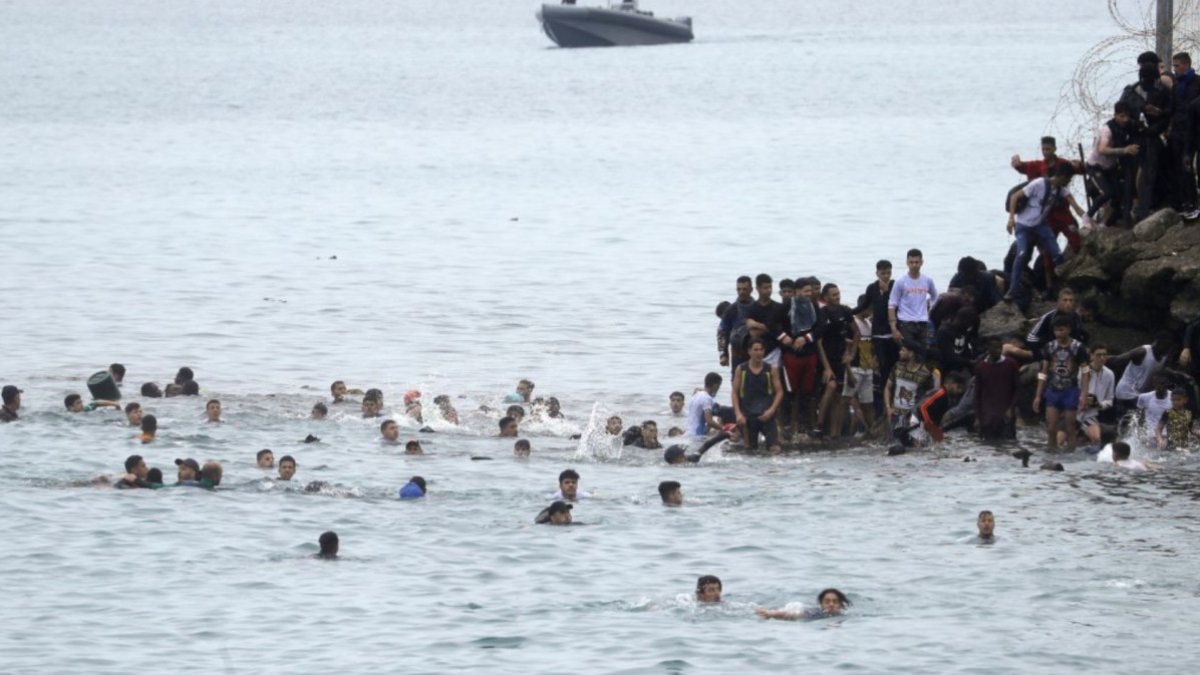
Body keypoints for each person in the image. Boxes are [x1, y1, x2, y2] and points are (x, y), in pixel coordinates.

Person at [1005, 164, 1081, 303]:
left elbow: (1076, 206)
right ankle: (1013, 289)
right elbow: (1015, 196)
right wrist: (1011, 219)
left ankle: (1062, 286)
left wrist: (1089, 221)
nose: (1068, 182)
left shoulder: (1061, 190)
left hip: (1040, 225)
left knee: (1057, 254)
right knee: (1021, 254)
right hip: (1023, 225)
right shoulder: (1039, 184)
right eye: (1068, 179)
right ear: (1063, 177)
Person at [1012, 136, 1085, 250]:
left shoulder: (1064, 163)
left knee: (1074, 238)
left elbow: (1081, 170)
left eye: (1048, 149)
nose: (1045, 152)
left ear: (1054, 149)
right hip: (1047, 214)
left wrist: (1080, 165)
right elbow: (1023, 167)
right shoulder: (1037, 165)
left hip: (1063, 209)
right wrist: (1016, 163)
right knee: (1047, 248)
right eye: (1043, 149)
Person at [1032, 316, 1090, 452]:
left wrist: (1084, 394)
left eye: (1061, 330)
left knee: (1070, 426)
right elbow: (1044, 372)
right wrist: (1038, 396)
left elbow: (1085, 372)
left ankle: (1070, 455)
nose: (1058, 333)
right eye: (1056, 330)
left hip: (1070, 390)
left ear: (1068, 329)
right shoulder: (1049, 347)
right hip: (1053, 390)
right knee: (1051, 427)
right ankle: (1051, 452)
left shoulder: (1078, 347)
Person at [780, 276, 827, 437]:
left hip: (809, 354)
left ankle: (803, 426)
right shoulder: (787, 306)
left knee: (807, 392)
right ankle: (787, 425)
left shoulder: (814, 306)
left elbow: (821, 327)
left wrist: (806, 338)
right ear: (797, 291)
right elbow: (773, 325)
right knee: (790, 392)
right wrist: (784, 337)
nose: (809, 294)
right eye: (806, 291)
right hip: (791, 355)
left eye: (810, 291)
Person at [1085, 101, 1138, 226]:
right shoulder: (1107, 130)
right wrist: (1124, 150)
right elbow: (1102, 149)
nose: (1125, 119)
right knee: (1107, 192)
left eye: (1127, 116)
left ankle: (1104, 222)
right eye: (1121, 116)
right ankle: (1087, 216)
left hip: (1111, 167)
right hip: (1096, 166)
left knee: (1118, 193)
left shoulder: (1128, 126)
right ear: (1115, 115)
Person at [732, 338, 784, 453]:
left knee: (775, 449)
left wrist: (771, 410)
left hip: (766, 415)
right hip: (748, 417)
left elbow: (779, 392)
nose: (759, 353)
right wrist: (738, 414)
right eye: (755, 350)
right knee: (750, 451)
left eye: (761, 350)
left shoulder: (771, 369)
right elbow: (735, 392)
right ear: (749, 351)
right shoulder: (741, 369)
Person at [1168, 52, 1200, 220]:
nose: (1174, 69)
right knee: (1182, 169)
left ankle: (1195, 204)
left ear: (1186, 65)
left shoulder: (1197, 83)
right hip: (1179, 133)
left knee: (1194, 166)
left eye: (1177, 66)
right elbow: (1173, 109)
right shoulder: (1176, 86)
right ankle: (1187, 202)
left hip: (1194, 131)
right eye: (1174, 66)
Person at [842, 296, 877, 435]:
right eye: (869, 308)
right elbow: (846, 348)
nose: (871, 312)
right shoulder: (852, 323)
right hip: (854, 367)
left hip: (867, 368)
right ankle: (841, 431)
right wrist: (848, 370)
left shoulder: (869, 323)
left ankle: (871, 432)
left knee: (868, 404)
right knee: (845, 401)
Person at [884, 340, 934, 438]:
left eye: (903, 350)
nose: (900, 352)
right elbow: (887, 387)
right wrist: (888, 407)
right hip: (895, 415)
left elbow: (930, 397)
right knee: (893, 441)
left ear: (911, 353)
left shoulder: (925, 374)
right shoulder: (897, 367)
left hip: (913, 417)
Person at [888, 248, 938, 346]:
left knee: (923, 351)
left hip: (922, 322)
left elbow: (935, 296)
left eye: (916, 262)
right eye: (911, 262)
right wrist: (893, 328)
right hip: (905, 322)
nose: (914, 265)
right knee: (908, 351)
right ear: (907, 263)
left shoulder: (927, 280)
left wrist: (930, 309)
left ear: (921, 262)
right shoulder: (900, 281)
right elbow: (892, 304)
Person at [1077, 344, 1116, 444]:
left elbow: (1110, 400)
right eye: (1098, 355)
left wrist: (1099, 404)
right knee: (1060, 442)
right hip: (1074, 411)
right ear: (1091, 355)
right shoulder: (1081, 371)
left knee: (1096, 439)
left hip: (1090, 414)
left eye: (1104, 355)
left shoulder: (1109, 374)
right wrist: (1082, 399)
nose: (1102, 358)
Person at [718, 275, 755, 372]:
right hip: (737, 353)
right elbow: (722, 332)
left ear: (751, 290)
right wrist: (723, 354)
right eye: (739, 289)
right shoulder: (731, 310)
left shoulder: (757, 307)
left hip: (756, 353)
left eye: (744, 289)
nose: (741, 292)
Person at [756, 589, 850, 620]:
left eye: (835, 601)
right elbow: (792, 615)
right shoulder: (815, 613)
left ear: (841, 605)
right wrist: (770, 614)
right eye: (827, 602)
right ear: (821, 605)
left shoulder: (846, 616)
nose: (831, 604)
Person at [686, 372, 725, 437]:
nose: (718, 389)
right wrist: (723, 428)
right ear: (715, 386)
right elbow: (709, 421)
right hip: (698, 435)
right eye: (719, 386)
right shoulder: (707, 399)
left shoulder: (696, 394)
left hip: (689, 431)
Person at [664, 430, 732, 464]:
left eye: (684, 454)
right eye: (681, 456)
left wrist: (724, 435)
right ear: (674, 461)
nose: (685, 456)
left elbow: (706, 445)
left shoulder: (692, 459)